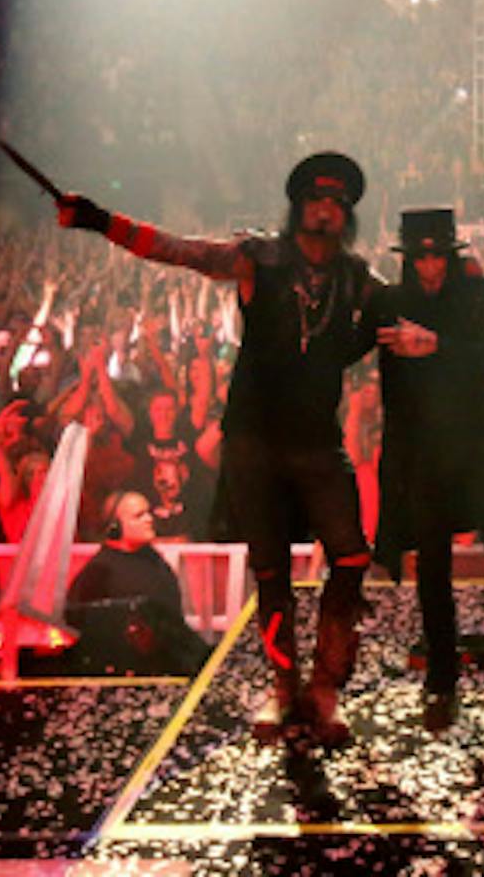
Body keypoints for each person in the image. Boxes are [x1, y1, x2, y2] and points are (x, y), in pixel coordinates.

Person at [57, 151, 398, 745]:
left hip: (317, 441)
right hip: (254, 441)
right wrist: (99, 220)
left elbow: (413, 305)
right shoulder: (257, 258)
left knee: (349, 556)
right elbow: (178, 250)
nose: (325, 210)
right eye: (316, 200)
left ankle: (325, 687)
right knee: (270, 570)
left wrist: (455, 289)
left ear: (347, 215)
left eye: (336, 203)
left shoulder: (357, 278)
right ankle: (285, 687)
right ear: (299, 208)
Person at [368, 207, 484, 758]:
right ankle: (441, 680)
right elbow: (393, 393)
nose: (429, 266)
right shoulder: (393, 303)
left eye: (437, 256)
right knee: (433, 565)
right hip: (427, 450)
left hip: (479, 445)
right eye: (420, 257)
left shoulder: (474, 293)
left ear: (450, 255)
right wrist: (397, 467)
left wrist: (434, 344)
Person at [65, 489, 211, 676]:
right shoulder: (99, 571)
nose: (149, 519)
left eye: (148, 512)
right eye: (138, 515)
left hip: (169, 663)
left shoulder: (152, 558)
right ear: (115, 527)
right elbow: (78, 624)